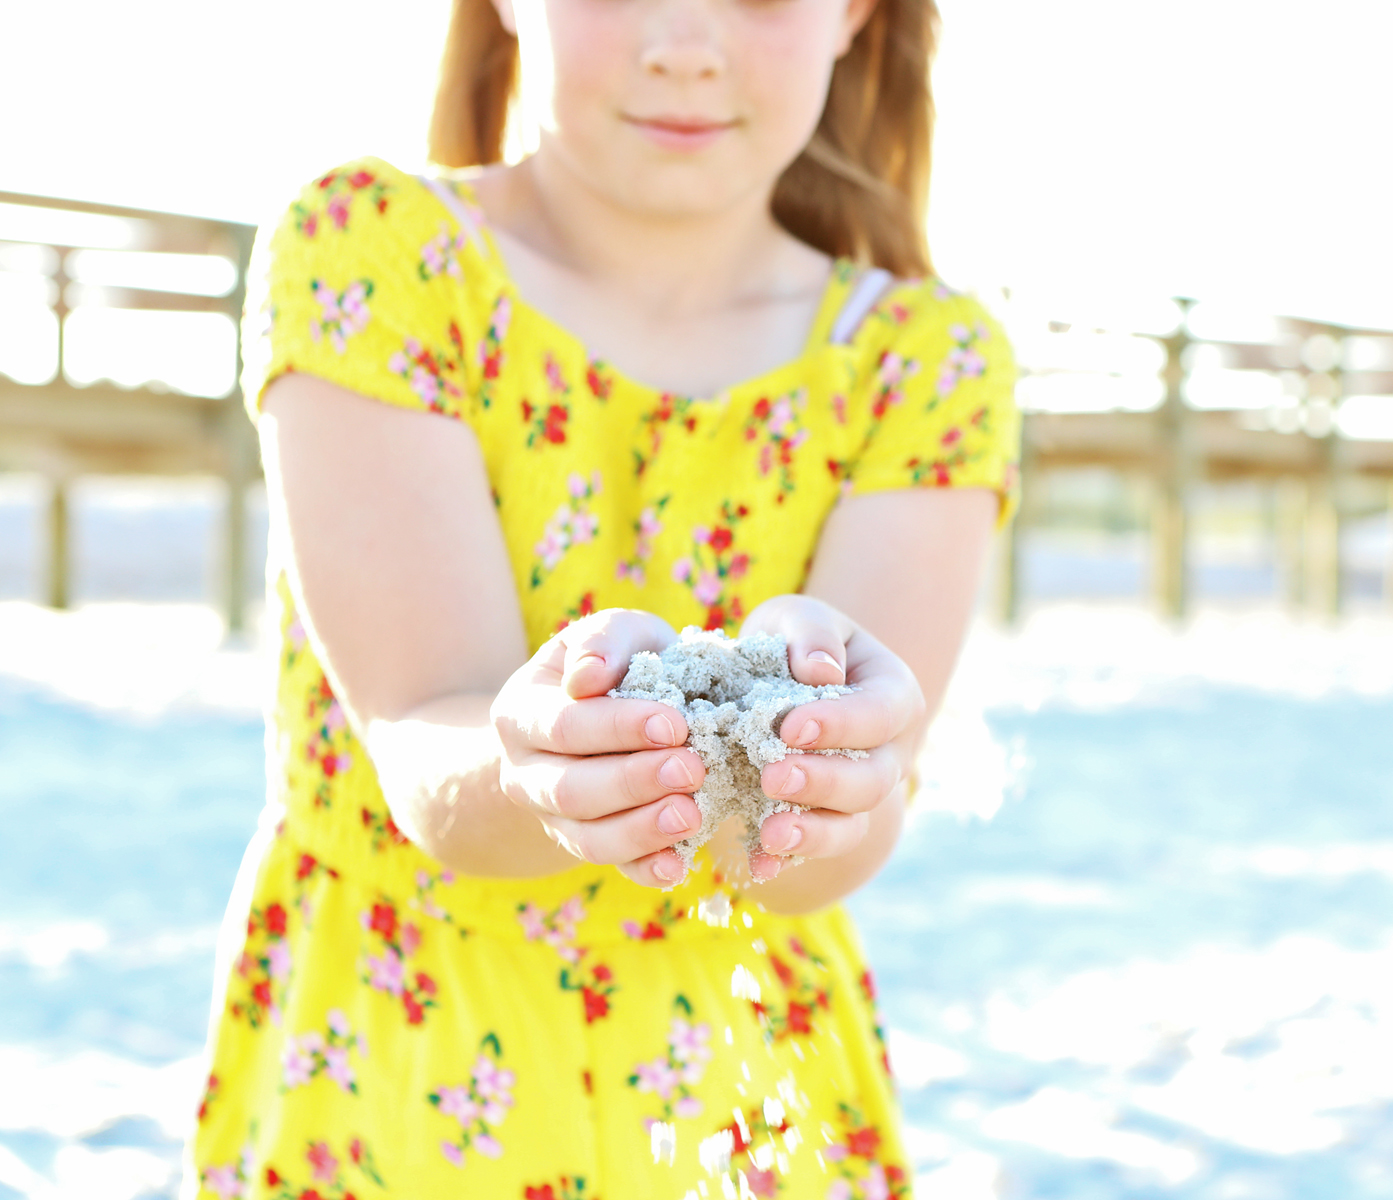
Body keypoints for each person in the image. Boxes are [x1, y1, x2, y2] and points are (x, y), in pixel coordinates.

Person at [189, 0, 1017, 1194]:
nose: (683, 46)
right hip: (392, 1063)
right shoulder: (373, 250)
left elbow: (835, 848)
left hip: (747, 1090)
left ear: (855, 16)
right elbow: (420, 724)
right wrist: (541, 762)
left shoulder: (925, 359)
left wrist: (822, 762)